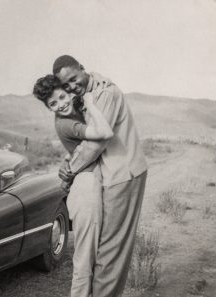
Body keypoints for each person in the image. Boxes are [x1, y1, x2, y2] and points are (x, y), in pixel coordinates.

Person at [52, 55, 148, 297]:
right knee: (100, 247)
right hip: (104, 174)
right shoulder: (86, 95)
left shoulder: (107, 94)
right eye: (66, 85)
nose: (72, 86)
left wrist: (69, 173)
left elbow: (96, 145)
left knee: (110, 251)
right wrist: (68, 162)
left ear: (83, 69)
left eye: (74, 79)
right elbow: (83, 141)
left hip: (122, 174)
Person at [33, 74, 113, 297]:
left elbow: (86, 78)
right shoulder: (66, 122)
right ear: (49, 108)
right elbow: (102, 135)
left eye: (61, 96)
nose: (61, 104)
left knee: (99, 255)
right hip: (85, 185)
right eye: (53, 104)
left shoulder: (78, 103)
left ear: (68, 91)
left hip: (92, 179)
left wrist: (99, 78)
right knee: (85, 260)